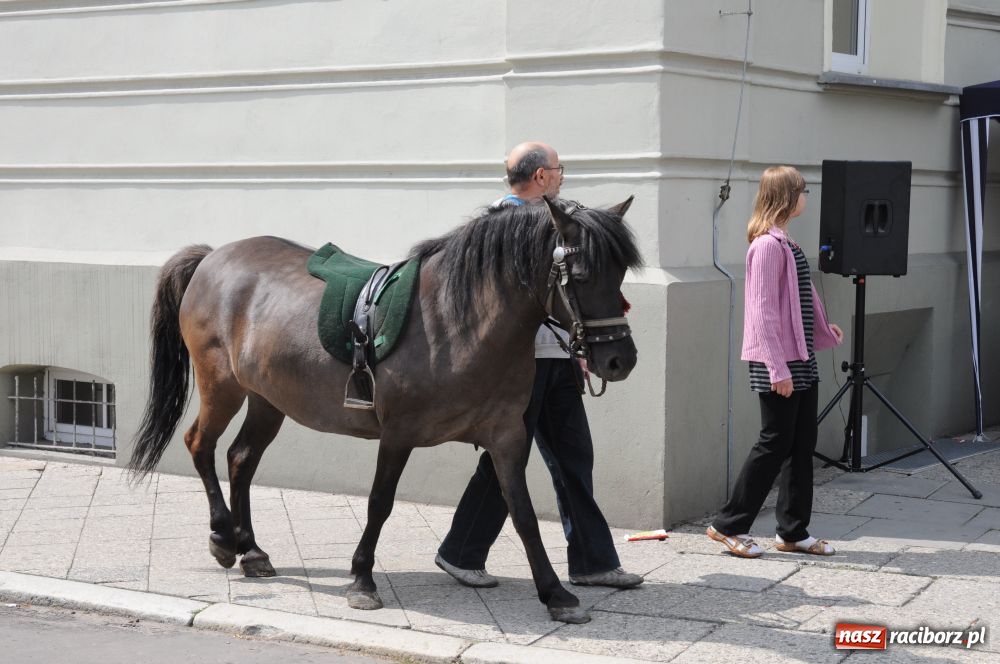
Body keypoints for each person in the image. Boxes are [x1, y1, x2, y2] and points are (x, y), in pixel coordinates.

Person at [434, 141, 643, 589]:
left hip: (559, 358)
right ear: (541, 177)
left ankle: (593, 562)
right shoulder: (496, 225)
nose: (562, 175)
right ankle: (460, 551)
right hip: (517, 368)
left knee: (574, 457)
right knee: (504, 463)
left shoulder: (558, 224)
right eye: (558, 168)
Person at [707, 165, 844, 558]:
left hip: (799, 356)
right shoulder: (766, 246)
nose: (806, 197)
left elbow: (801, 298)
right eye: (803, 191)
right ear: (787, 196)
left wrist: (822, 330)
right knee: (774, 443)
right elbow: (762, 312)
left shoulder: (787, 243)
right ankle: (726, 525)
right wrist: (776, 368)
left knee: (802, 444)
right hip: (777, 360)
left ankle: (792, 532)